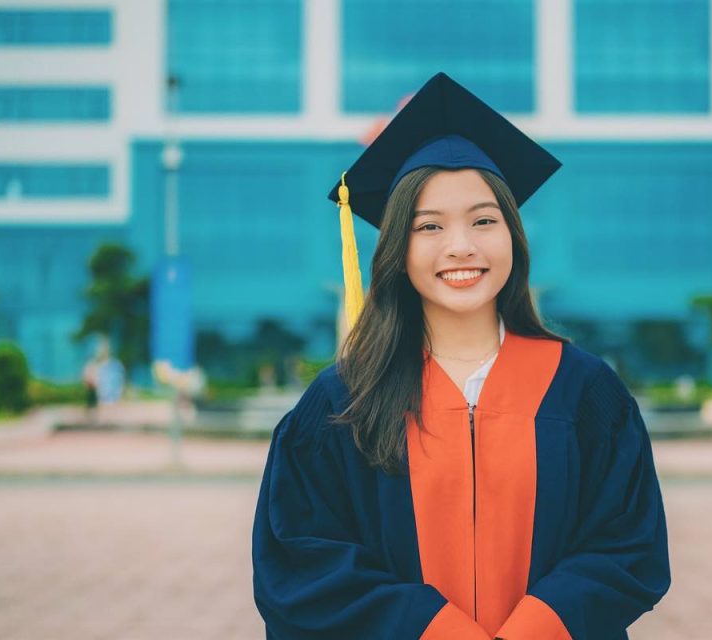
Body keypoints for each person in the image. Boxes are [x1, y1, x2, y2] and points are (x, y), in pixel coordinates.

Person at [252, 73, 670, 639]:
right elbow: (302, 561)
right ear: (398, 249)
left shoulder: (584, 391)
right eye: (429, 226)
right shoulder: (343, 400)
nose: (461, 246)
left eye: (483, 220)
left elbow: (628, 545)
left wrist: (534, 630)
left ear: (513, 237)